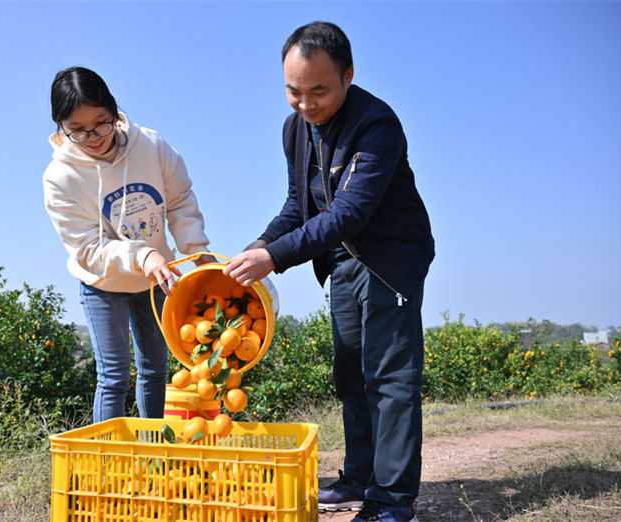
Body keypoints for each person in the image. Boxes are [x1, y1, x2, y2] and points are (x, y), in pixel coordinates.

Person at [223, 22, 434, 522]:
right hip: (340, 261)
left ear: (348, 75)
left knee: (390, 378)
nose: (305, 103)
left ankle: (392, 500)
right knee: (350, 375)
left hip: (388, 260)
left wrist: (274, 258)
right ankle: (360, 477)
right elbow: (300, 204)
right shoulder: (295, 128)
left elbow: (348, 213)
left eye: (318, 90)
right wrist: (260, 243)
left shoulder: (377, 125)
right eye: (293, 91)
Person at [43, 66, 214, 423]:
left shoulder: (149, 145)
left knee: (155, 368)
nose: (93, 137)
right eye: (77, 130)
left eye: (101, 123)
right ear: (61, 128)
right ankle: (106, 468)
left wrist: (196, 252)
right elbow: (88, 248)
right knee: (114, 376)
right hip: (103, 283)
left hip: (156, 278)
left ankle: (153, 454)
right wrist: (143, 254)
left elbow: (180, 198)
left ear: (115, 111)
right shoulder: (60, 178)